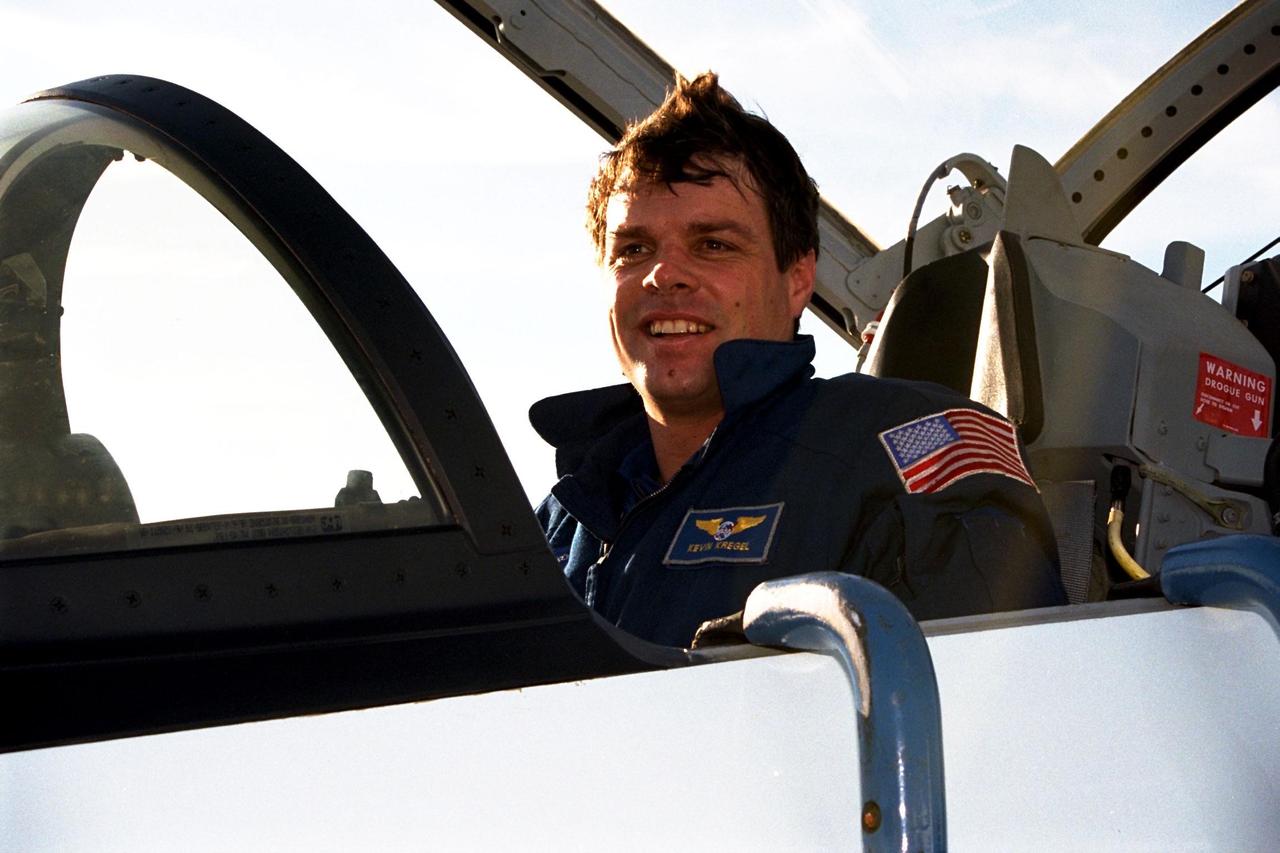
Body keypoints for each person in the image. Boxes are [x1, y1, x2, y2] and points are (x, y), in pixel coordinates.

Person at [530, 72, 1065, 647]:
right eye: (634, 249)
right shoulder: (562, 520)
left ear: (797, 279)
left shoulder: (896, 462)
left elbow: (994, 705)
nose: (664, 275)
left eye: (713, 245)